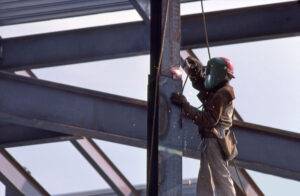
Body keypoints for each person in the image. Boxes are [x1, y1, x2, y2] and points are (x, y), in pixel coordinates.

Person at [171, 56, 236, 196]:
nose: (208, 75)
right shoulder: (220, 89)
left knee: (220, 177)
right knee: (205, 178)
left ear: (217, 73)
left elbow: (208, 120)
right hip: (213, 139)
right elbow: (205, 87)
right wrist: (195, 74)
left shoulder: (223, 93)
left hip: (215, 139)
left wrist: (185, 105)